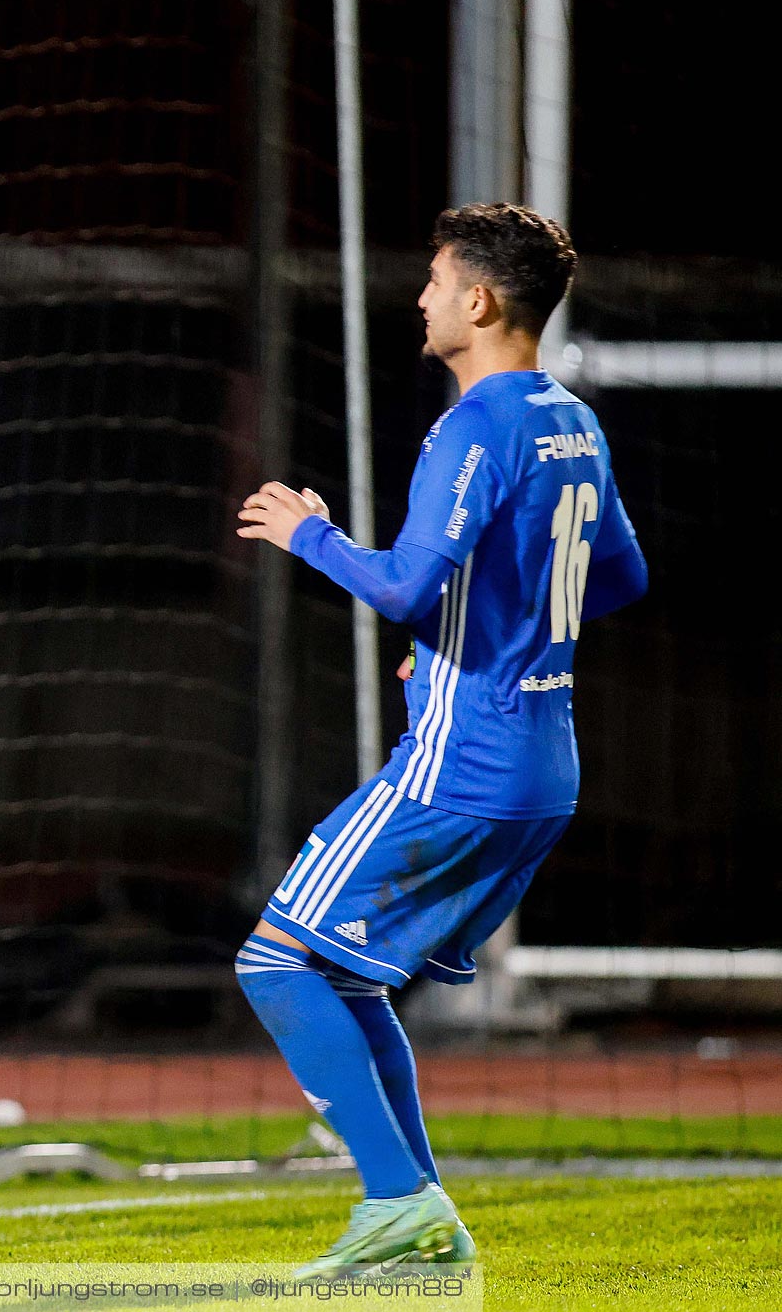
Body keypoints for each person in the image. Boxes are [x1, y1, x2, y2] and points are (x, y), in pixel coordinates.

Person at [234, 203, 648, 1277]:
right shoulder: (574, 419)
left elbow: (409, 581)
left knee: (275, 960)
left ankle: (395, 1200)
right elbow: (621, 576)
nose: (419, 297)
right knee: (353, 977)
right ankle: (422, 1225)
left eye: (433, 280)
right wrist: (483, 638)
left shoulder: (477, 423)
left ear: (479, 299)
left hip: (462, 764)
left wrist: (308, 532)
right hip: (543, 767)